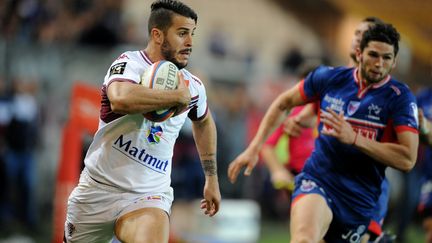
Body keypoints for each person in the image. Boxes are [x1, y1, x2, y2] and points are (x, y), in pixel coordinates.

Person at [228, 23, 419, 242]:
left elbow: (407, 158)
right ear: (359, 53)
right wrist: (254, 148)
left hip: (360, 198)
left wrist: (355, 138)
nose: (379, 64)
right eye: (373, 55)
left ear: (394, 61)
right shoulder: (330, 78)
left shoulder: (400, 98)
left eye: (387, 58)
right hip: (319, 180)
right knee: (304, 239)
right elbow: (284, 103)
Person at [64, 1, 221, 242]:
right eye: (182, 33)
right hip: (97, 190)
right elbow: (120, 99)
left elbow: (204, 122)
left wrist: (211, 178)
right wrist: (175, 97)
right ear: (157, 35)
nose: (190, 42)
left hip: (149, 195)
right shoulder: (129, 64)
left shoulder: (194, 86)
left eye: (192, 34)